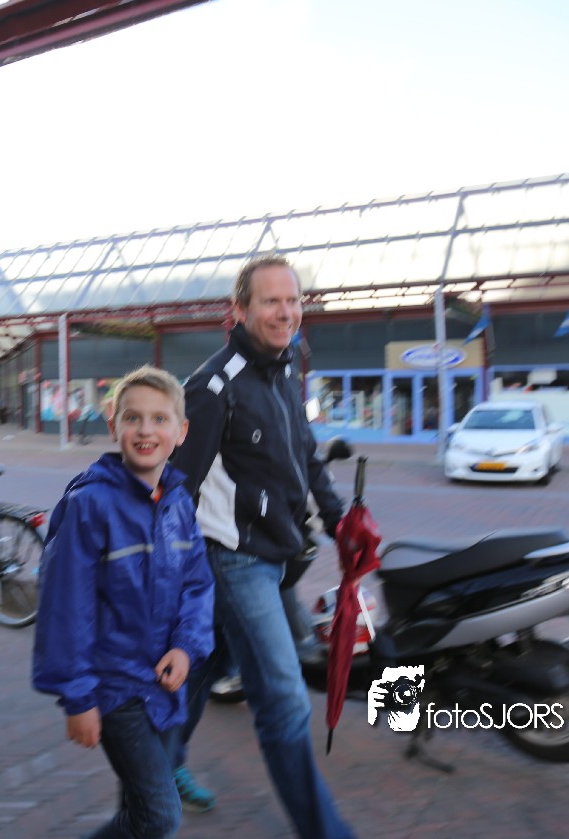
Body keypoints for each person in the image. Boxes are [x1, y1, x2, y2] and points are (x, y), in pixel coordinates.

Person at [170, 254, 354, 838]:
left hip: (280, 555)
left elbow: (306, 454)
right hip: (234, 559)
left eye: (292, 300)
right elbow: (177, 489)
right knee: (284, 697)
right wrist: (171, 576)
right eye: (271, 301)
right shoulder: (213, 386)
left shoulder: (285, 370)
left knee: (204, 665)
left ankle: (159, 765)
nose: (285, 312)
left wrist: (339, 521)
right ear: (240, 309)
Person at [33, 365, 214, 839]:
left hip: (166, 684)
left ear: (181, 431)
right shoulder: (89, 505)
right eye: (133, 418)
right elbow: (65, 607)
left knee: (138, 809)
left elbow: (197, 585)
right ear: (114, 425)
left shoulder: (180, 504)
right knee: (159, 816)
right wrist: (77, 696)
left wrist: (186, 646)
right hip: (115, 688)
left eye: (159, 419)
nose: (145, 430)